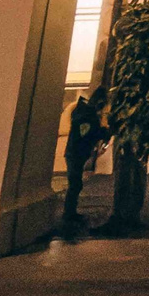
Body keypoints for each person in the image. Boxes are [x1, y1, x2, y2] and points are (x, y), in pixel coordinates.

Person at [62, 91, 108, 230]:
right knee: (75, 184)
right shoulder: (87, 116)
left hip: (75, 153)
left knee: (75, 184)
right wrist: (103, 132)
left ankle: (70, 212)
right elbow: (86, 133)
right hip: (75, 154)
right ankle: (68, 214)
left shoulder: (83, 113)